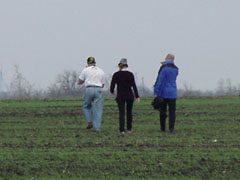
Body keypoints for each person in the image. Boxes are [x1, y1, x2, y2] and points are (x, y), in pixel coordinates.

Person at [110, 58, 140, 135]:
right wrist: (137, 96)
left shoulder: (116, 75)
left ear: (119, 65)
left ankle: (122, 130)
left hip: (120, 96)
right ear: (126, 65)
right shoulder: (130, 74)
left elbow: (112, 86)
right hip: (129, 95)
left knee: (121, 113)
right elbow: (134, 86)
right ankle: (129, 129)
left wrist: (112, 92)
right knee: (129, 112)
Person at [78, 57, 105, 132]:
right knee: (98, 109)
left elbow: (79, 81)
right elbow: (103, 84)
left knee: (86, 106)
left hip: (89, 89)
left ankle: (89, 121)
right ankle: (97, 128)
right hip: (99, 89)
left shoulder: (85, 70)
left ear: (88, 63)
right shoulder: (101, 71)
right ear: (95, 63)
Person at [154, 53, 179, 133]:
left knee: (162, 110)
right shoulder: (176, 69)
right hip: (173, 92)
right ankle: (171, 129)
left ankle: (163, 128)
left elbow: (160, 80)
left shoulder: (164, 68)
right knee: (172, 111)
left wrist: (156, 91)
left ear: (167, 58)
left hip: (163, 92)